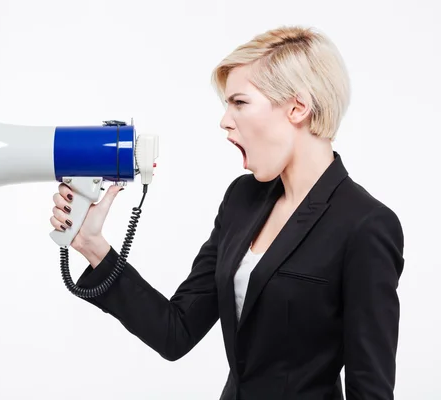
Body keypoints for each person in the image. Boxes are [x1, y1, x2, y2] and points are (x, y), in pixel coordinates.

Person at [49, 25, 405, 400]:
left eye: (240, 102)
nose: (225, 120)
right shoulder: (242, 199)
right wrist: (92, 244)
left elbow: (371, 391)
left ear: (298, 107)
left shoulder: (365, 225)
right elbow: (176, 331)